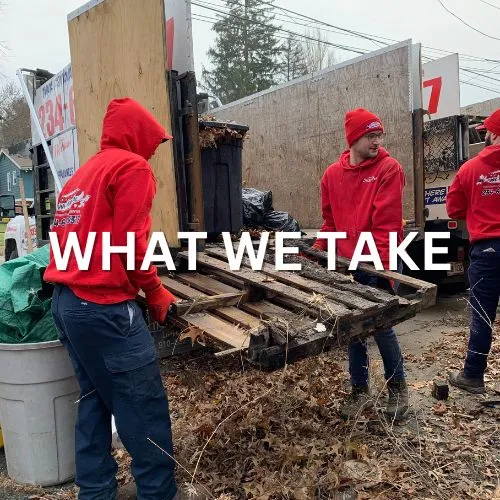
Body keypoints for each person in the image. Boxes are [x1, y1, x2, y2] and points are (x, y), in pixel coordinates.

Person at [44, 97, 181, 499]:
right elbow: (128, 243)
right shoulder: (132, 167)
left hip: (66, 303)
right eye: (153, 141)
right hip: (104, 308)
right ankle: (158, 493)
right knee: (144, 406)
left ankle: (96, 491)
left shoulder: (81, 175)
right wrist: (154, 291)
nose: (154, 150)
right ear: (136, 134)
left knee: (94, 400)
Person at [310, 108, 409, 421]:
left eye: (379, 135)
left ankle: (398, 388)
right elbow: (329, 223)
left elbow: (388, 225)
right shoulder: (331, 175)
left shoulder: (388, 169)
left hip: (379, 260)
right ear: (353, 138)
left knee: (381, 326)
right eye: (370, 135)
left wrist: (379, 270)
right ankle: (360, 389)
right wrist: (315, 253)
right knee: (352, 330)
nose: (377, 140)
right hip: (347, 263)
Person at [446, 108, 500, 394]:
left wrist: (480, 207)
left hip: (488, 250)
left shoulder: (469, 169)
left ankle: (473, 376)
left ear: (492, 133)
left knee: (482, 315)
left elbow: (454, 208)